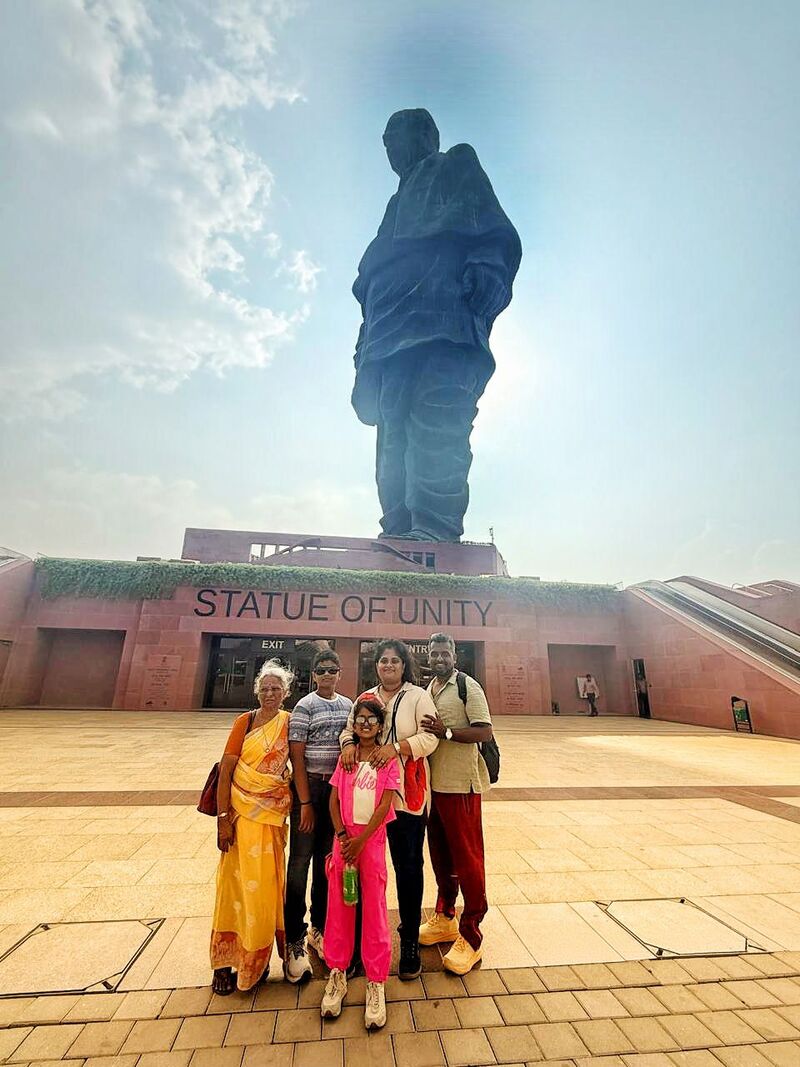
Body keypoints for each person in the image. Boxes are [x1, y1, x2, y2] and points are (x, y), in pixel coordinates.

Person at [351, 108, 522, 541]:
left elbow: (493, 230)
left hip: (442, 321)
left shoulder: (454, 165)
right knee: (392, 439)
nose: (389, 145)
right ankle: (399, 530)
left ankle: (435, 530)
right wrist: (362, 347)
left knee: (437, 420)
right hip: (388, 336)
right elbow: (369, 286)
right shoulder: (393, 206)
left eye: (396, 134)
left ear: (426, 134)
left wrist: (488, 266)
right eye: (384, 139)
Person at [340, 638, 438, 979]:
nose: (388, 666)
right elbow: (347, 730)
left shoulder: (418, 696)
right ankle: (359, 947)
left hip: (406, 800)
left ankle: (409, 940)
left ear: (404, 665)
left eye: (395, 661)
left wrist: (395, 748)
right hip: (366, 803)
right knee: (367, 872)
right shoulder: (365, 698)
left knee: (408, 868)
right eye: (383, 661)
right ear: (376, 665)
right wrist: (350, 743)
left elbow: (430, 739)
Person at [210, 660, 293, 994]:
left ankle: (260, 961)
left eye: (276, 689)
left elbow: (297, 763)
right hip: (240, 821)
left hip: (271, 821)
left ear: (285, 693)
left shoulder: (289, 723)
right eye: (265, 688)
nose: (269, 694)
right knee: (234, 890)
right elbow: (226, 771)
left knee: (268, 892)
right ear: (257, 690)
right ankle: (224, 962)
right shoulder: (243, 723)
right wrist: (222, 819)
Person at [322, 694, 400, 1029]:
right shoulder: (347, 758)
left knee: (374, 908)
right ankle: (337, 972)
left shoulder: (386, 761)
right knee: (340, 905)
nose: (365, 724)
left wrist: (361, 841)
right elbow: (334, 800)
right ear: (353, 724)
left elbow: (384, 805)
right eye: (360, 719)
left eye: (372, 719)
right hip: (345, 844)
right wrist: (342, 838)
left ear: (380, 726)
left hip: (370, 843)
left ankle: (376, 980)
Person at [419, 633, 493, 975]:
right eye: (433, 653)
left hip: (461, 786)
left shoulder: (467, 686)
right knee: (441, 856)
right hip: (434, 789)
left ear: (454, 655)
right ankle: (446, 916)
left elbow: (483, 731)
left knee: (468, 858)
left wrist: (446, 732)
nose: (438, 658)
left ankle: (471, 935)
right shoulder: (430, 688)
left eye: (444, 653)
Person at [284, 649, 353, 983]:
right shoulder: (304, 706)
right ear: (313, 675)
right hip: (309, 791)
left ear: (340, 674)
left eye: (332, 670)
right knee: (298, 864)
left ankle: (319, 928)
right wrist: (306, 802)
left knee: (326, 865)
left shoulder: (349, 705)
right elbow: (297, 759)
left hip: (335, 793)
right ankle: (293, 939)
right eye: (321, 670)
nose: (327, 675)